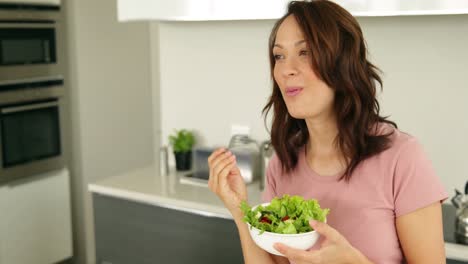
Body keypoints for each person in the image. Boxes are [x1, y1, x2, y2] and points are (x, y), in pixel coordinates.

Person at [207, 1, 448, 263]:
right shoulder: (281, 165)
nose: (287, 69)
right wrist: (241, 211)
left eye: (305, 52)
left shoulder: (402, 158)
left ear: (342, 62)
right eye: (279, 56)